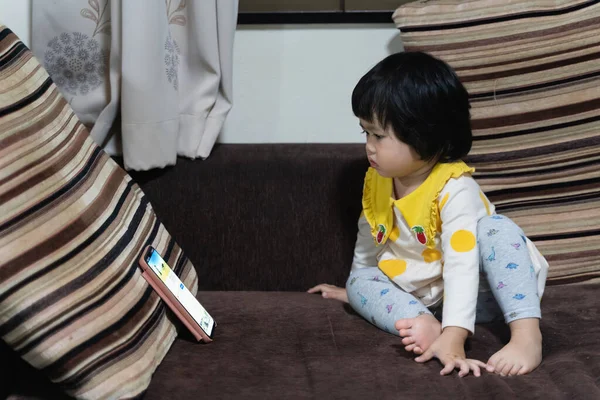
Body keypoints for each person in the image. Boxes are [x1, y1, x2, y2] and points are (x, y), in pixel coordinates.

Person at [308, 52, 549, 378]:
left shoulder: (454, 188)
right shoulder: (378, 179)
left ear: (426, 136)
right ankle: (424, 324)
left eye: (379, 135)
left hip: (485, 293)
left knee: (497, 229)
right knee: (360, 280)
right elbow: (370, 235)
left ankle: (526, 336)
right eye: (365, 133)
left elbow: (463, 265)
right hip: (423, 297)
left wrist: (456, 336)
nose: (369, 146)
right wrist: (352, 289)